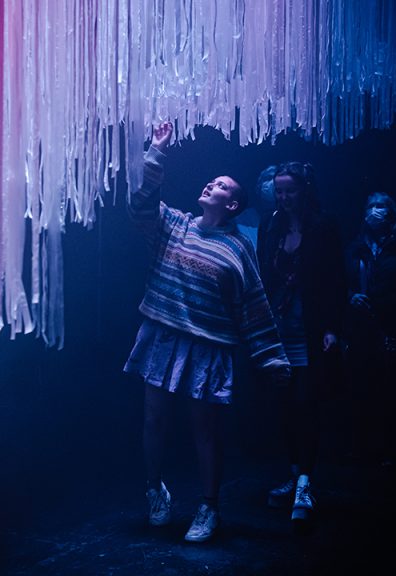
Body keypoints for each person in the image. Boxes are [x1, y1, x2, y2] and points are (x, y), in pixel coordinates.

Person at [124, 121, 291, 543]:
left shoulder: (238, 249)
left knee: (205, 430)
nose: (209, 186)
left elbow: (254, 308)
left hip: (209, 347)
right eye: (211, 182)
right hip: (163, 336)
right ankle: (154, 489)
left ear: (232, 205)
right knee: (154, 420)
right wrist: (157, 151)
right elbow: (140, 202)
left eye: (220, 186)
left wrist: (272, 358)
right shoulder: (174, 225)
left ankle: (209, 506)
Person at [257, 161, 346, 524]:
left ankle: (305, 482)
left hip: (309, 329)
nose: (283, 197)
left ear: (304, 190)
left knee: (306, 403)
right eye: (279, 190)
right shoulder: (271, 225)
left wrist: (331, 327)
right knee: (285, 407)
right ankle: (295, 475)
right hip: (278, 331)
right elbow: (264, 274)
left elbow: (336, 280)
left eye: (289, 190)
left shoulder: (323, 227)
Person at [344, 191, 396, 466]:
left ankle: (390, 450)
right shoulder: (357, 248)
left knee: (393, 391)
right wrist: (350, 297)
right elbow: (343, 282)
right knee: (361, 387)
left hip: (393, 327)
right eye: (371, 206)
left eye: (382, 206)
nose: (376, 211)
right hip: (362, 329)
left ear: (392, 212)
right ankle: (361, 448)